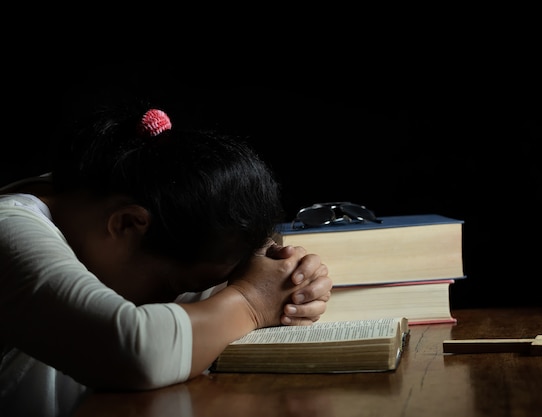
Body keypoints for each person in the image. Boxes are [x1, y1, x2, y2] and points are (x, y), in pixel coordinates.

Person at [0, 101, 332, 417]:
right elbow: (134, 350)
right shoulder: (8, 229)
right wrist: (252, 301)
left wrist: (285, 275)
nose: (174, 302)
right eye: (174, 286)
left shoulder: (98, 190)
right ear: (127, 223)